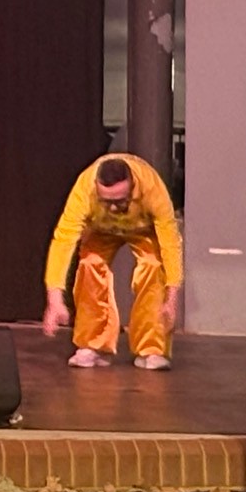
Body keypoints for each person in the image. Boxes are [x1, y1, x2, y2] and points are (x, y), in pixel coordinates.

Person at [41, 152, 183, 370]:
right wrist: (54, 300)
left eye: (120, 201)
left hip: (141, 229)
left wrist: (172, 299)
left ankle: (152, 348)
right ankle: (93, 345)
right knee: (89, 264)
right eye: (107, 201)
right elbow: (63, 241)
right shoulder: (84, 189)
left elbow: (170, 244)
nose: (114, 208)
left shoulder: (152, 188)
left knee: (153, 265)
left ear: (133, 186)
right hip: (101, 230)